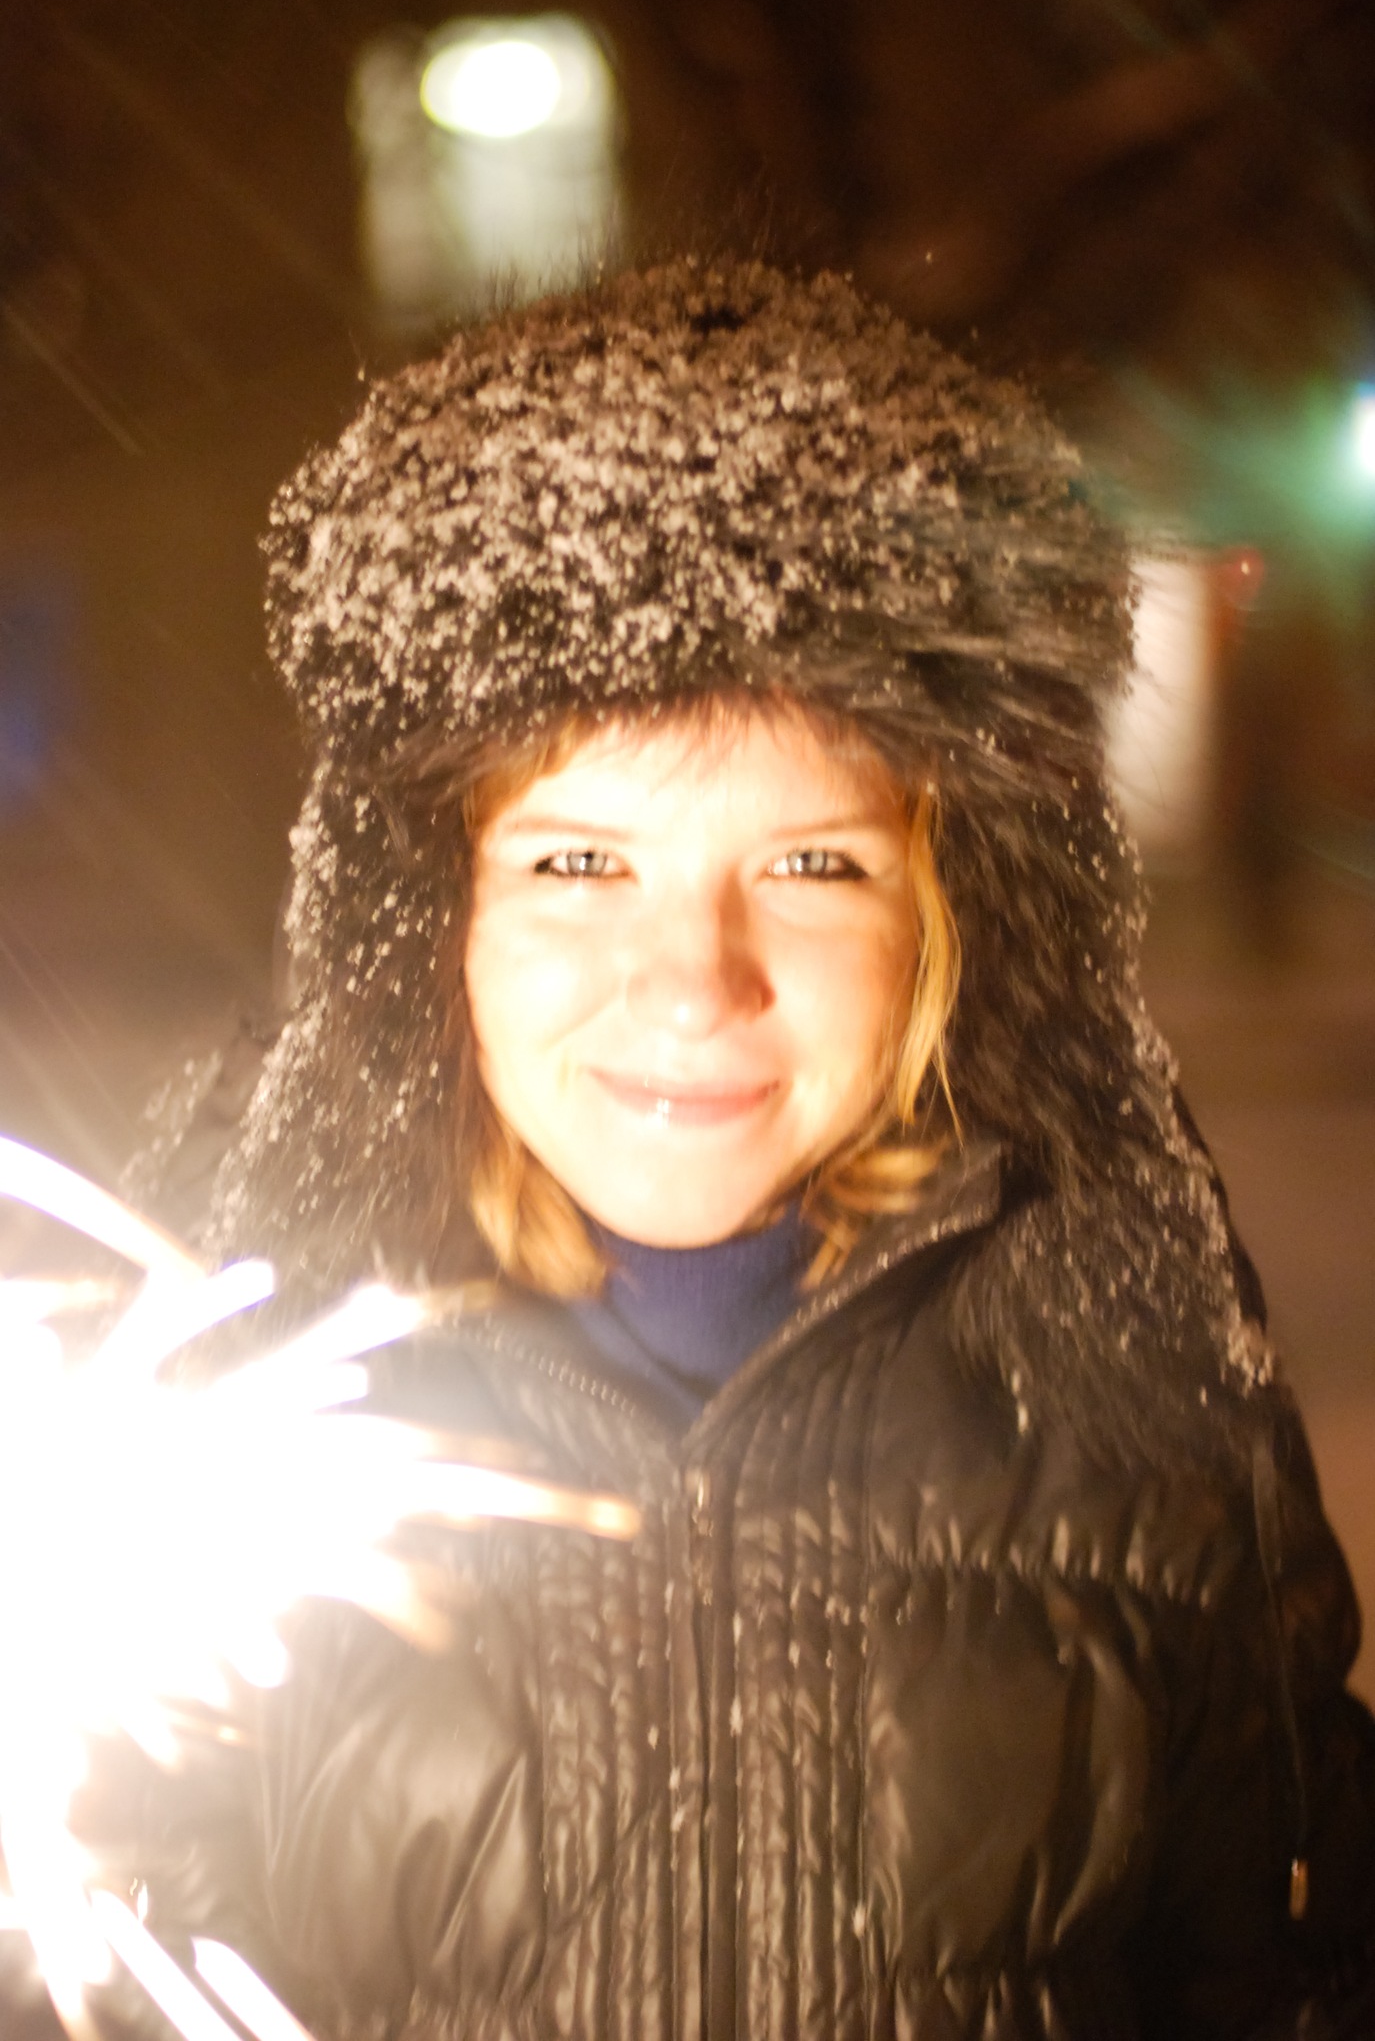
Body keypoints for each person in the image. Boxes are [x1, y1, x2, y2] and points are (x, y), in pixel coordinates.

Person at [124, 261, 1375, 2039]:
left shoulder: (1136, 1412)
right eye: (577, 864)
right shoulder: (220, 1440)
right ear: (430, 922)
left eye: (811, 865)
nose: (693, 982)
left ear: (948, 921)